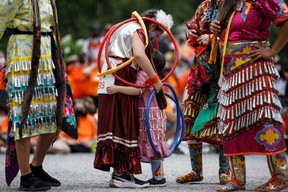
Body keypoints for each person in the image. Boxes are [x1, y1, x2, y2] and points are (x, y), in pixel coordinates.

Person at [210, 0, 288, 191]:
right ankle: (236, 178)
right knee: (231, 121)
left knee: (266, 118)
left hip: (256, 70)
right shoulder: (227, 4)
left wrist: (272, 50)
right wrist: (214, 28)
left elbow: (287, 19)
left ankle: (281, 176)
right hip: (229, 73)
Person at [94, 9, 173, 188]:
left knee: (115, 122)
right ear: (153, 25)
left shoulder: (124, 28)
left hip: (110, 75)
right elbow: (138, 54)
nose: (155, 38)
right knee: (123, 122)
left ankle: (122, 173)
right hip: (121, 73)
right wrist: (155, 78)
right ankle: (122, 174)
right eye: (158, 33)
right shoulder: (137, 30)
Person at [0, 0, 65, 191]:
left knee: (52, 113)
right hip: (23, 56)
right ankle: (26, 176)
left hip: (48, 56)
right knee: (23, 116)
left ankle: (36, 166)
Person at [175, 0, 230, 185]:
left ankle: (225, 170)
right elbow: (192, 27)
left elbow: (237, 34)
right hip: (199, 70)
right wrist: (190, 33)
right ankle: (196, 171)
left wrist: (213, 39)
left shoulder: (232, 5)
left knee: (221, 120)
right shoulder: (204, 5)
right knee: (189, 115)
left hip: (222, 71)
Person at [106, 49, 169, 187]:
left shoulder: (143, 73)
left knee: (150, 143)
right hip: (155, 115)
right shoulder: (155, 76)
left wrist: (118, 88)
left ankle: (133, 173)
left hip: (147, 116)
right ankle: (159, 178)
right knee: (155, 145)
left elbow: (137, 90)